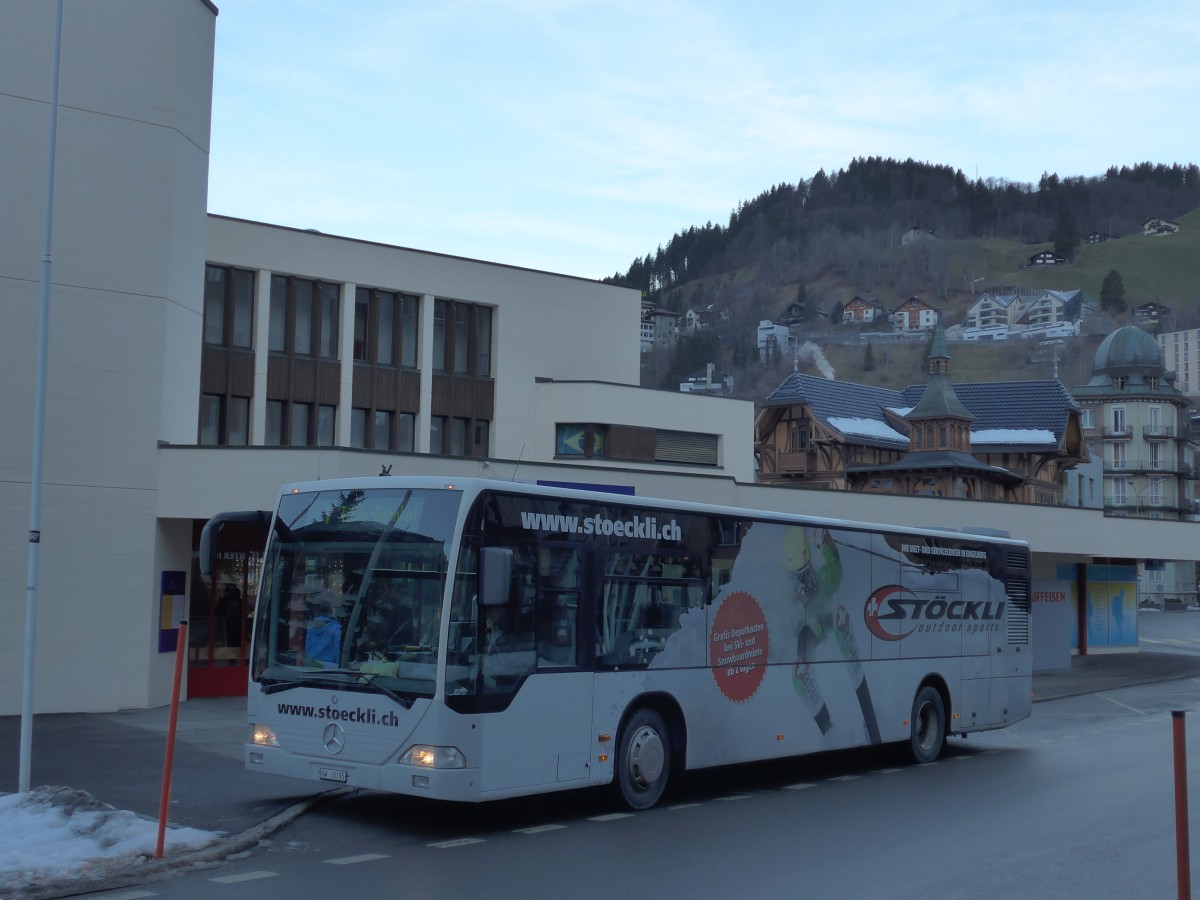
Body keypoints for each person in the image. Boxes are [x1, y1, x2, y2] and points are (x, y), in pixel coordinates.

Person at [304, 591, 342, 667]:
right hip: (329, 665)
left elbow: (307, 646)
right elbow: (336, 648)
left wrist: (311, 658)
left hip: (312, 663)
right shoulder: (335, 627)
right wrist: (338, 664)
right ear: (331, 611)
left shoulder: (310, 626)